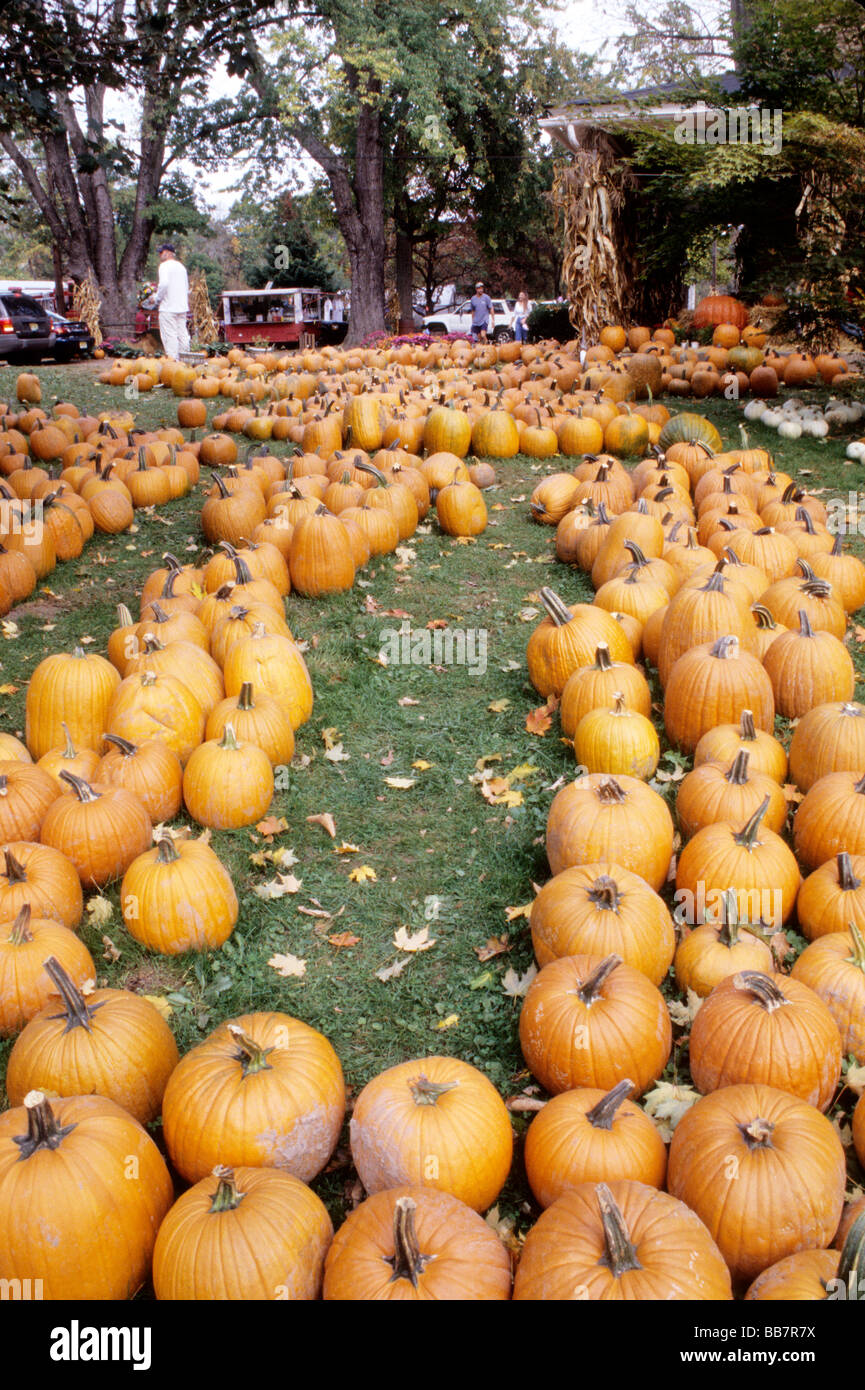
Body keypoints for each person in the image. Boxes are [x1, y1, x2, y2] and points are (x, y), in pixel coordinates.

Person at [151, 243, 190, 359]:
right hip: (182, 307)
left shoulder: (164, 266)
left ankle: (173, 363)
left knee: (170, 336)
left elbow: (163, 284)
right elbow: (186, 287)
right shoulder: (182, 267)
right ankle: (185, 360)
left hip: (168, 307)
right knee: (183, 335)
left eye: (161, 252)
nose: (159, 255)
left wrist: (156, 298)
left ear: (168, 253)